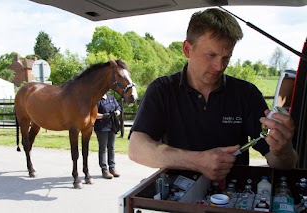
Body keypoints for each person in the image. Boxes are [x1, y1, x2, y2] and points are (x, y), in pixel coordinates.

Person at [128, 8, 298, 181]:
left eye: (226, 58)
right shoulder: (162, 90)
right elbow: (137, 149)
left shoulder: (246, 94)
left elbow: (283, 163)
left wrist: (282, 150)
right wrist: (198, 161)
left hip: (232, 197)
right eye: (211, 55)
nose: (219, 66)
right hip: (177, 198)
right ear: (187, 49)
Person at [94, 93, 121, 179]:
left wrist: (117, 112)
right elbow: (94, 114)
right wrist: (104, 116)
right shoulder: (97, 99)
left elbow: (118, 108)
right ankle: (104, 170)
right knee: (103, 148)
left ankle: (112, 168)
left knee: (111, 147)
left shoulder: (111, 98)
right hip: (101, 128)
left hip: (112, 126)